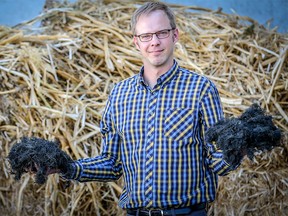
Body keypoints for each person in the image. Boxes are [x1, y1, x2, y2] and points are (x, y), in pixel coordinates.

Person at [44, 2, 236, 216]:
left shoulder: (201, 89)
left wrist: (239, 147)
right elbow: (112, 163)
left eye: (162, 33)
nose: (154, 42)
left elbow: (216, 159)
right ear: (136, 42)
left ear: (175, 35)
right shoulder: (119, 94)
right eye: (146, 36)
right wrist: (66, 167)